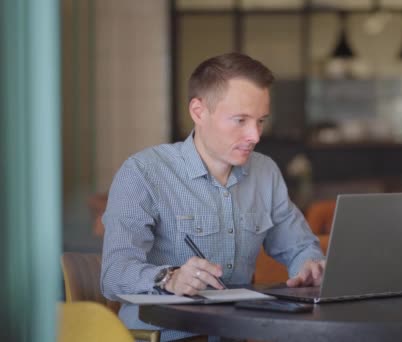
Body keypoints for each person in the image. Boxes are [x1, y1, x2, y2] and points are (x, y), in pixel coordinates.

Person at [101, 52, 326, 341]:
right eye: (241, 120)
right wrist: (169, 278)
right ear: (198, 111)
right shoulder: (143, 172)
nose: (255, 136)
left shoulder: (265, 172)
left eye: (260, 121)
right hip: (165, 336)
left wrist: (309, 265)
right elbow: (114, 274)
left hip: (237, 333)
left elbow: (300, 248)